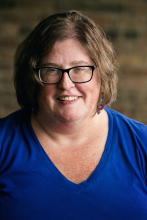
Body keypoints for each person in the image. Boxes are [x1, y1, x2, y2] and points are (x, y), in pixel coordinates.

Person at [0, 10, 147, 220]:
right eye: (51, 70)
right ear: (33, 79)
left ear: (101, 76)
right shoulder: (3, 143)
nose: (66, 84)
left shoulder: (142, 143)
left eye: (80, 69)